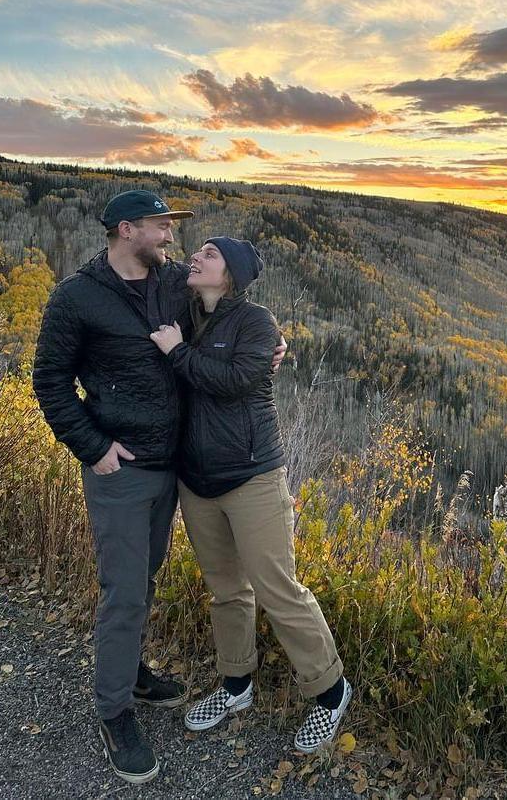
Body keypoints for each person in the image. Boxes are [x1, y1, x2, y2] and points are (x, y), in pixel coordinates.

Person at [32, 192, 285, 784]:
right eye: (160, 227)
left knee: (142, 579)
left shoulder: (174, 285)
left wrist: (270, 346)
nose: (170, 238)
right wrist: (93, 449)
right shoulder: (77, 297)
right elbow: (49, 382)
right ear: (127, 230)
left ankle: (130, 672)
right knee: (122, 590)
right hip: (120, 470)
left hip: (175, 467)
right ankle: (114, 711)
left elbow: (228, 319)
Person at [149, 236, 353, 753]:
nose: (196, 257)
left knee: (277, 587)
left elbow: (237, 381)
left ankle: (330, 691)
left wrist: (177, 352)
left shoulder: (256, 322)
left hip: (252, 477)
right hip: (196, 482)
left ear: (232, 274)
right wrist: (180, 347)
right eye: (197, 251)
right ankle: (236, 685)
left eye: (210, 254)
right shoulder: (184, 310)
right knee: (226, 591)